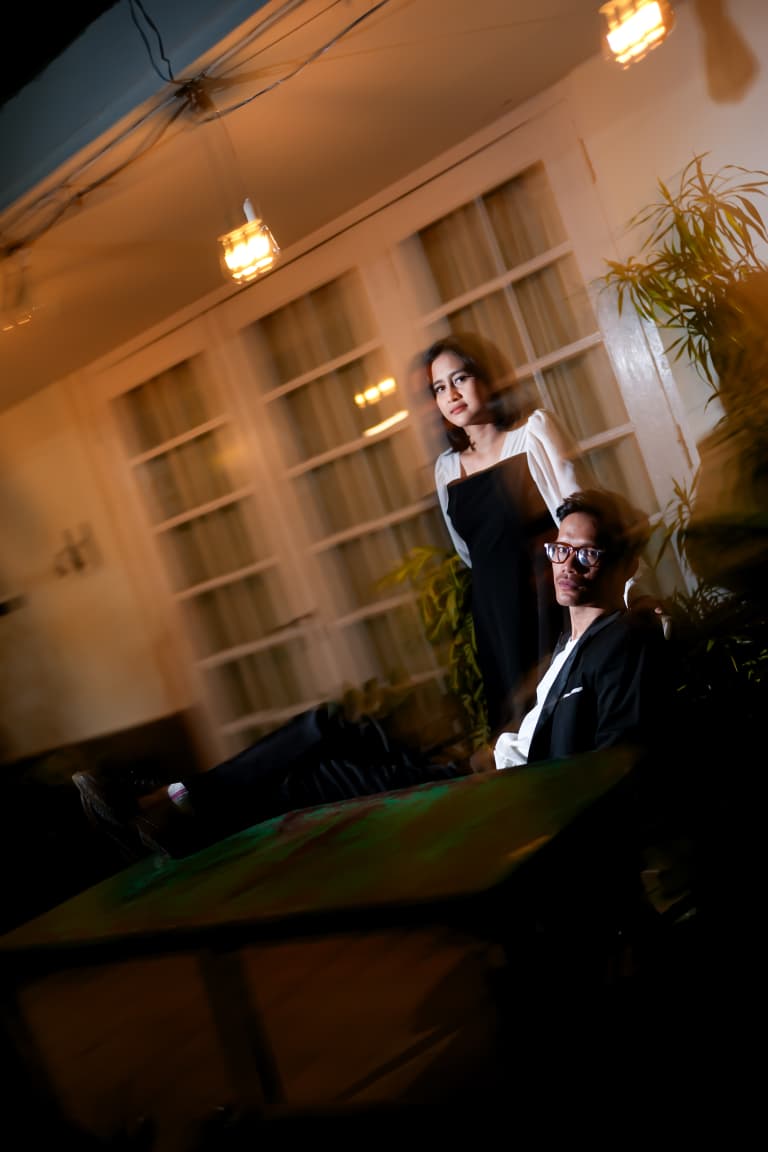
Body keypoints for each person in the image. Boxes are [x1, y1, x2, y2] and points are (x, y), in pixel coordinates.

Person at [73, 489, 674, 863]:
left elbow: (616, 756)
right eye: (560, 549)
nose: (568, 564)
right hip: (475, 768)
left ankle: (170, 806)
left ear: (618, 562)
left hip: (498, 794)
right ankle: (172, 805)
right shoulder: (571, 640)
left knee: (313, 774)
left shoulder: (620, 638)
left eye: (586, 553)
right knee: (328, 726)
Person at [424, 333, 657, 733]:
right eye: (440, 388)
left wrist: (633, 591)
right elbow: (467, 552)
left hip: (547, 603)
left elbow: (587, 520)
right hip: (494, 615)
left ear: (487, 376)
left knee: (565, 720)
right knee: (515, 731)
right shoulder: (446, 468)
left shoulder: (533, 432)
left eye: (460, 378)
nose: (452, 395)